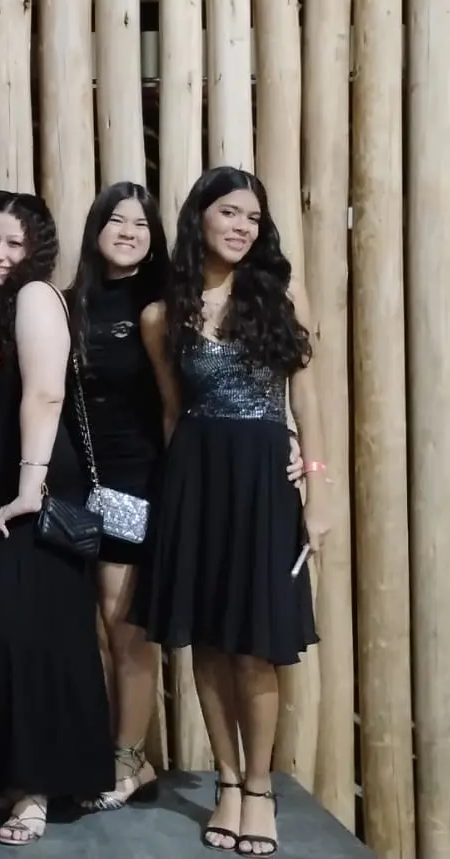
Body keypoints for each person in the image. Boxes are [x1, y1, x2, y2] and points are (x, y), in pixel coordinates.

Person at [132, 166, 333, 856]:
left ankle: (259, 788)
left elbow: (305, 400)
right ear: (200, 218)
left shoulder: (279, 295)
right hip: (194, 481)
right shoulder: (161, 315)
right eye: (229, 213)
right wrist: (175, 504)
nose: (243, 226)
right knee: (209, 641)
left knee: (256, 645)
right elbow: (172, 413)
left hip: (264, 482)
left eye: (253, 216)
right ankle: (225, 781)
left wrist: (317, 488)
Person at [0, 190, 114, 846]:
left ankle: (38, 785)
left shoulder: (36, 296)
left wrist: (28, 488)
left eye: (14, 243)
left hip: (27, 486)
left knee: (27, 633)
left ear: (37, 251)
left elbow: (45, 392)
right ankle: (7, 774)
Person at [68, 182, 170, 811]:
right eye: (117, 220)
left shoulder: (160, 305)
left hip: (136, 478)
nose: (128, 232)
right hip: (76, 481)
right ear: (97, 228)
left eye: (141, 224)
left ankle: (131, 758)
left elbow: (178, 402)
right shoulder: (70, 301)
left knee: (124, 623)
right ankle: (102, 750)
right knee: (88, 627)